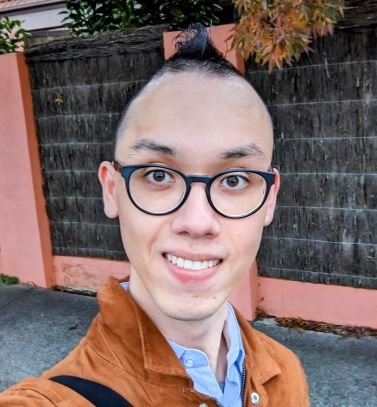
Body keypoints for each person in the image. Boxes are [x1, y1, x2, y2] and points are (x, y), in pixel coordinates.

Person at [0, 26, 309, 406]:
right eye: (158, 175)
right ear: (112, 190)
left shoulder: (287, 372)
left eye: (234, 179)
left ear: (270, 199)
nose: (197, 222)